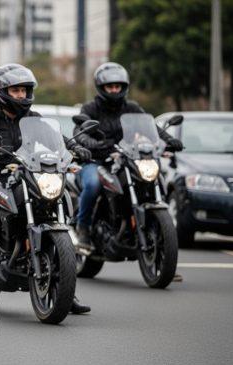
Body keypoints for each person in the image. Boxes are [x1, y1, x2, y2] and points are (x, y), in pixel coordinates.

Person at [0, 63, 93, 314]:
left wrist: (75, 149)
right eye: (16, 90)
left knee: (58, 201)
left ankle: (66, 288)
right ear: (2, 91)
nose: (21, 95)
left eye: (24, 90)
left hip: (26, 177)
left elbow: (59, 141)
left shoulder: (34, 119)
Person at [73, 62, 183, 248]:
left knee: (149, 176)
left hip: (126, 159)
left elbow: (152, 129)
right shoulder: (90, 109)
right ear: (101, 87)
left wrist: (168, 140)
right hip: (97, 160)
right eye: (110, 86)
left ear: (124, 87)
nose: (115, 90)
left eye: (118, 86)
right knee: (93, 184)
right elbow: (80, 132)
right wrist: (95, 144)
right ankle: (82, 228)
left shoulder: (132, 107)